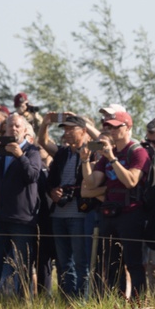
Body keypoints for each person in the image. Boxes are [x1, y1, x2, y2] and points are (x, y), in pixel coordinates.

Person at [83, 109, 150, 296]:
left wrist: (112, 158)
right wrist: (85, 161)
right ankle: (117, 304)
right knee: (112, 264)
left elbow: (131, 181)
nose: (111, 131)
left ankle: (139, 305)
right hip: (110, 213)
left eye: (115, 127)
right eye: (108, 127)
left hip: (132, 212)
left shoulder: (137, 152)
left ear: (128, 127)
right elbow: (91, 183)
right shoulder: (106, 155)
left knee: (133, 263)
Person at [0, 113, 43, 293]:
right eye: (10, 126)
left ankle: (21, 302)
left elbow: (32, 176)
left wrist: (20, 156)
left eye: (17, 126)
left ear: (25, 130)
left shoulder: (33, 151)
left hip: (22, 218)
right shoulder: (1, 153)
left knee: (22, 263)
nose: (13, 129)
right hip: (1, 217)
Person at [47, 113, 101, 298]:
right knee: (63, 262)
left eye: (72, 129)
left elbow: (101, 141)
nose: (67, 133)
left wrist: (83, 121)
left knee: (81, 261)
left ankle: (81, 300)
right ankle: (67, 299)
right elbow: (43, 142)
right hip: (58, 213)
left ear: (84, 131)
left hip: (80, 213)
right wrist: (53, 192)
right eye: (65, 129)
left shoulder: (92, 151)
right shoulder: (63, 152)